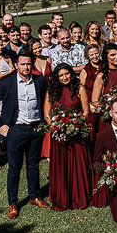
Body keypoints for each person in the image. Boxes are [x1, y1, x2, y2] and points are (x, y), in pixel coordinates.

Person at [0, 54, 50, 218]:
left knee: (33, 165)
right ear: (16, 65)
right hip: (16, 130)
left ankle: (34, 195)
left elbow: (47, 100)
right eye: (22, 64)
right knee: (14, 168)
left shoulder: (40, 81)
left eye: (29, 64)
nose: (26, 67)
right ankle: (13, 203)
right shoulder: (7, 83)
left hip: (36, 129)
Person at [45, 63, 93, 211]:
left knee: (78, 165)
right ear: (56, 78)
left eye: (67, 74)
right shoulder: (51, 91)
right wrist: (57, 129)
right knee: (61, 166)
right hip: (58, 135)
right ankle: (62, 196)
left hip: (76, 134)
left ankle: (79, 196)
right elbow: (47, 114)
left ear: (71, 74)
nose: (64, 77)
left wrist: (74, 127)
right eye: (61, 75)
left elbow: (85, 111)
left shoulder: (79, 88)